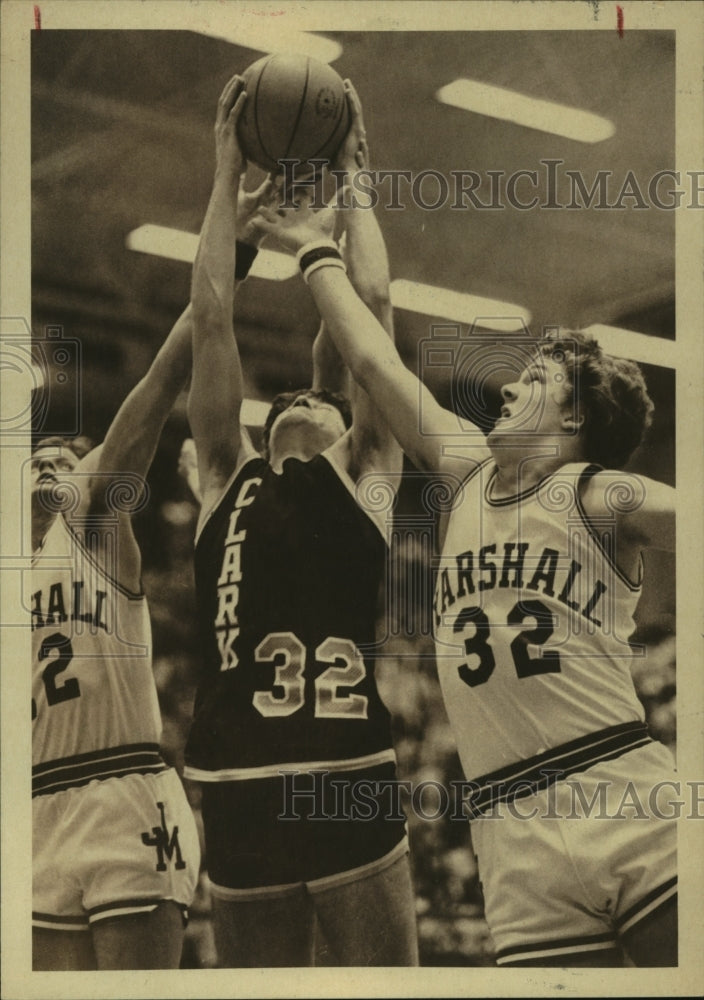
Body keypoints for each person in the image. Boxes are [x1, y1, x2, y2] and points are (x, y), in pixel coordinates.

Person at [253, 92, 678, 968]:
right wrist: (321, 240)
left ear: (574, 420)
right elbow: (371, 355)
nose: (508, 384)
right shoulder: (464, 469)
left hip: (621, 791)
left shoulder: (600, 494)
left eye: (534, 379)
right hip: (507, 828)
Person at [183, 74, 418, 967]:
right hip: (238, 785)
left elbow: (373, 314)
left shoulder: (364, 471)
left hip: (349, 777)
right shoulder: (222, 476)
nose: (296, 400)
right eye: (280, 400)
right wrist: (224, 169)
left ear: (338, 421)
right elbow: (211, 321)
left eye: (318, 397)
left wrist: (353, 176)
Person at [30, 307, 201, 970]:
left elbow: (156, 389)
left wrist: (220, 276)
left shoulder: (93, 532)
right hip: (38, 804)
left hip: (120, 788)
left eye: (67, 461)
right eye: (37, 458)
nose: (53, 464)